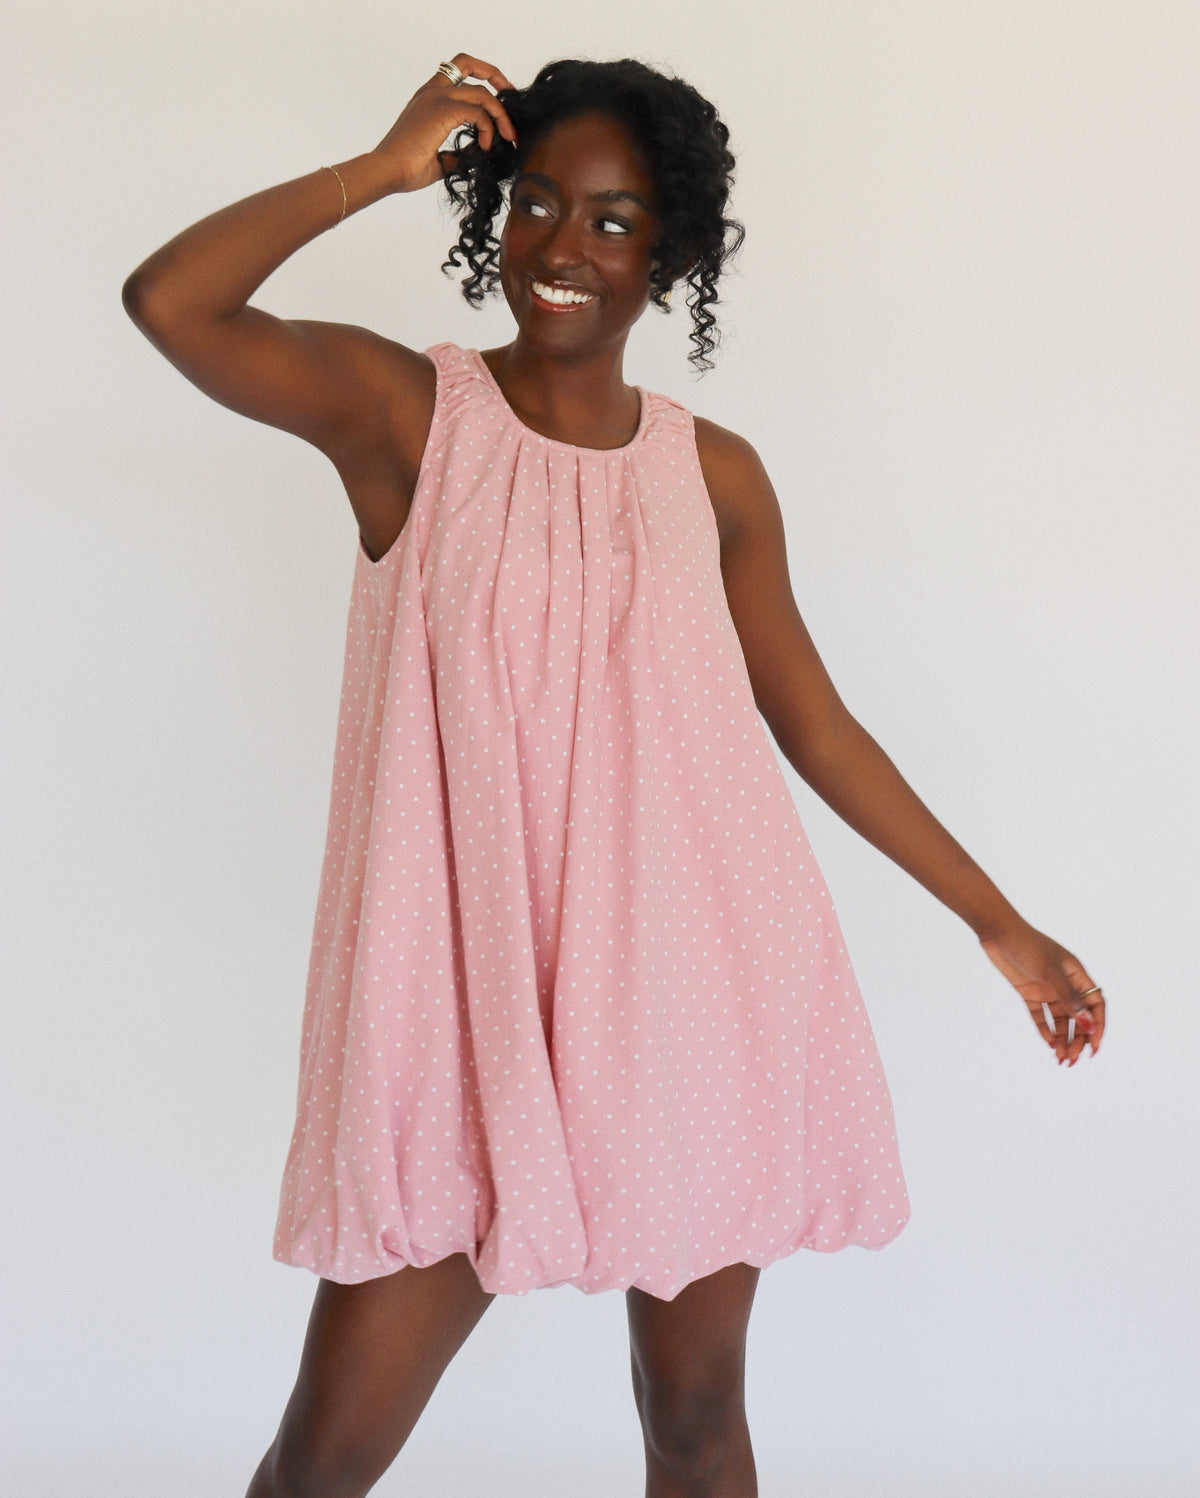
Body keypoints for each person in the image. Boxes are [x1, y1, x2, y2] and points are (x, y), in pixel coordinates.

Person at [122, 53, 1106, 1498]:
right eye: (535, 204)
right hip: (468, 1017)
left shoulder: (716, 477)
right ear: (491, 217)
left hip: (690, 996)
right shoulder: (409, 420)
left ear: (673, 252)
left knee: (694, 1417)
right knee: (325, 1456)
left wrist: (998, 921)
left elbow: (813, 721)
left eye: (613, 221)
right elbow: (172, 304)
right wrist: (382, 168)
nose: (563, 248)